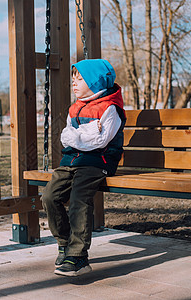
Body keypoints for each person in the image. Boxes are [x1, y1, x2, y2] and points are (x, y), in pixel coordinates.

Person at [42, 59, 126, 277]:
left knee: (79, 199)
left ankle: (78, 256)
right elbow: (65, 137)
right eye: (73, 78)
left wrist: (78, 136)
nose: (74, 83)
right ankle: (65, 243)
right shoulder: (75, 108)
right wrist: (86, 133)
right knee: (50, 196)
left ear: (95, 80)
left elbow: (100, 141)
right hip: (71, 161)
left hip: (99, 162)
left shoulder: (111, 108)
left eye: (80, 79)